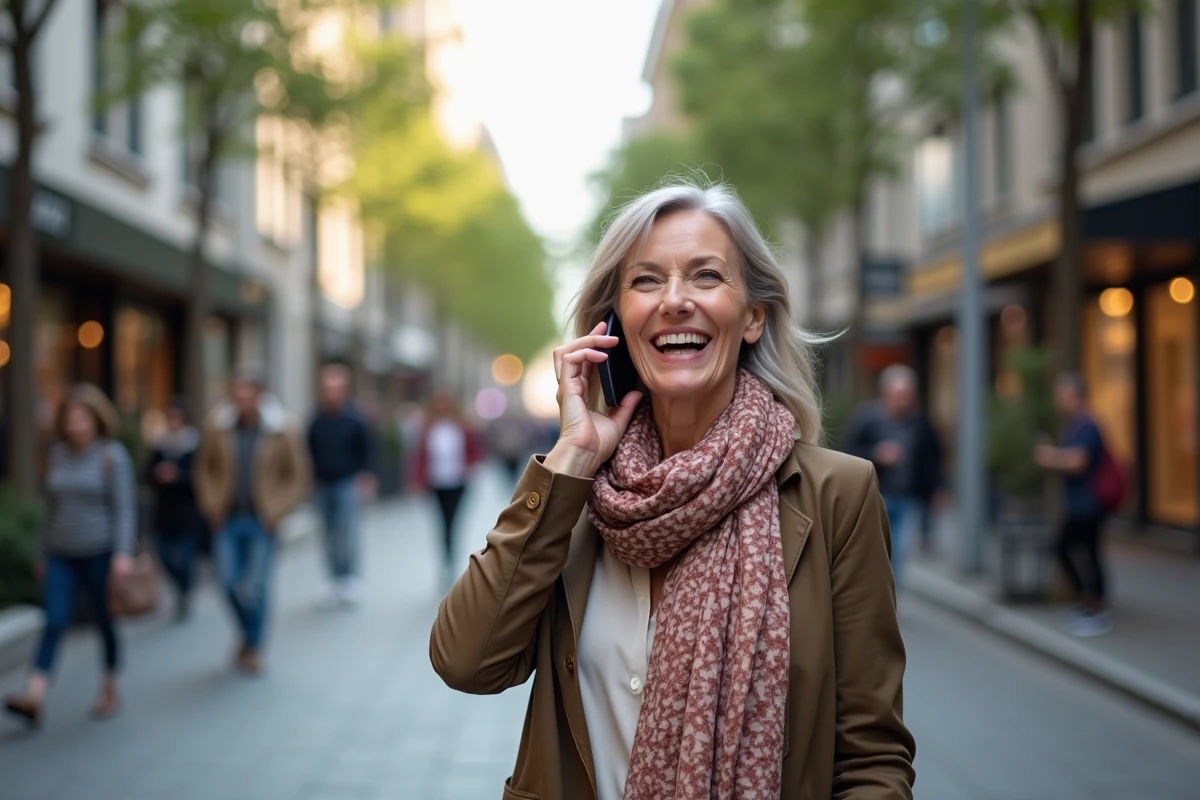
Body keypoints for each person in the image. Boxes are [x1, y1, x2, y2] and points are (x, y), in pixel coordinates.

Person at [430, 182, 915, 800]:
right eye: (646, 281)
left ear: (753, 316)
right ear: (614, 326)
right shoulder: (575, 500)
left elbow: (872, 757)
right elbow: (466, 662)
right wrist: (571, 458)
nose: (675, 301)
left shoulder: (837, 496)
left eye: (706, 276)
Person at [4, 384, 135, 727]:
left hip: (100, 552)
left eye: (83, 418)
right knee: (55, 621)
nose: (76, 425)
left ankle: (109, 686)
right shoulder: (59, 454)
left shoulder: (112, 455)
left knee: (104, 622)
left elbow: (124, 509)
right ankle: (34, 696)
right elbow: (51, 508)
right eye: (71, 418)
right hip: (61, 553)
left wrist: (122, 553)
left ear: (96, 420)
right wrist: (42, 552)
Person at [195, 366, 310, 675]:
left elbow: (297, 476)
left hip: (263, 522)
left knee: (257, 586)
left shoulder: (282, 428)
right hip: (227, 520)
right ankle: (248, 635)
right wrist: (211, 505)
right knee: (228, 583)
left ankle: (255, 647)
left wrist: (276, 511)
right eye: (236, 391)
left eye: (247, 391)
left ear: (260, 394)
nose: (241, 397)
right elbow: (204, 467)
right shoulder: (218, 426)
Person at [840, 364, 943, 583]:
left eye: (907, 394)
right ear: (885, 393)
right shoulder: (867, 418)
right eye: (899, 394)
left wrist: (936, 488)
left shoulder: (918, 422)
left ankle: (892, 596)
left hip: (907, 495)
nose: (903, 399)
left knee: (899, 548)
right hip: (875, 494)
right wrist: (876, 454)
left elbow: (932, 456)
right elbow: (846, 453)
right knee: (877, 548)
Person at [1034, 373, 1113, 637]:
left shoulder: (1087, 425)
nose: (1058, 401)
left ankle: (1095, 607)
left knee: (1071, 549)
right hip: (1080, 503)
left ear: (1074, 396)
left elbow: (1078, 462)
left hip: (1089, 503)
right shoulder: (1074, 425)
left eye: (1062, 395)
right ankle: (1090, 603)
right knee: (1084, 551)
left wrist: (1049, 456)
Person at [308, 362, 376, 609]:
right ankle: (332, 579)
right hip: (322, 484)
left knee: (347, 531)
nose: (332, 392)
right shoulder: (316, 420)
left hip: (347, 482)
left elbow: (367, 450)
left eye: (336, 387)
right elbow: (309, 451)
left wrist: (366, 477)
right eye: (328, 387)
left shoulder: (355, 419)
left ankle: (350, 578)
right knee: (326, 534)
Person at [414, 392, 483, 585]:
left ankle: (451, 559)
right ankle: (445, 560)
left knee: (453, 522)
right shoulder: (428, 429)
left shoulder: (462, 427)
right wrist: (417, 481)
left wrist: (470, 466)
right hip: (436, 483)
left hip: (458, 482)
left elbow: (475, 451)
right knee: (442, 523)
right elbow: (419, 456)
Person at [147, 397, 205, 622]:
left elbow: (200, 478)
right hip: (164, 513)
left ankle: (185, 591)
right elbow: (147, 474)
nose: (173, 421)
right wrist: (158, 475)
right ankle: (183, 588)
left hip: (187, 514)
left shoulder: (194, 446)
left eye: (176, 417)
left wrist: (177, 477)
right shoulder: (160, 445)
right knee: (163, 554)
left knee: (186, 558)